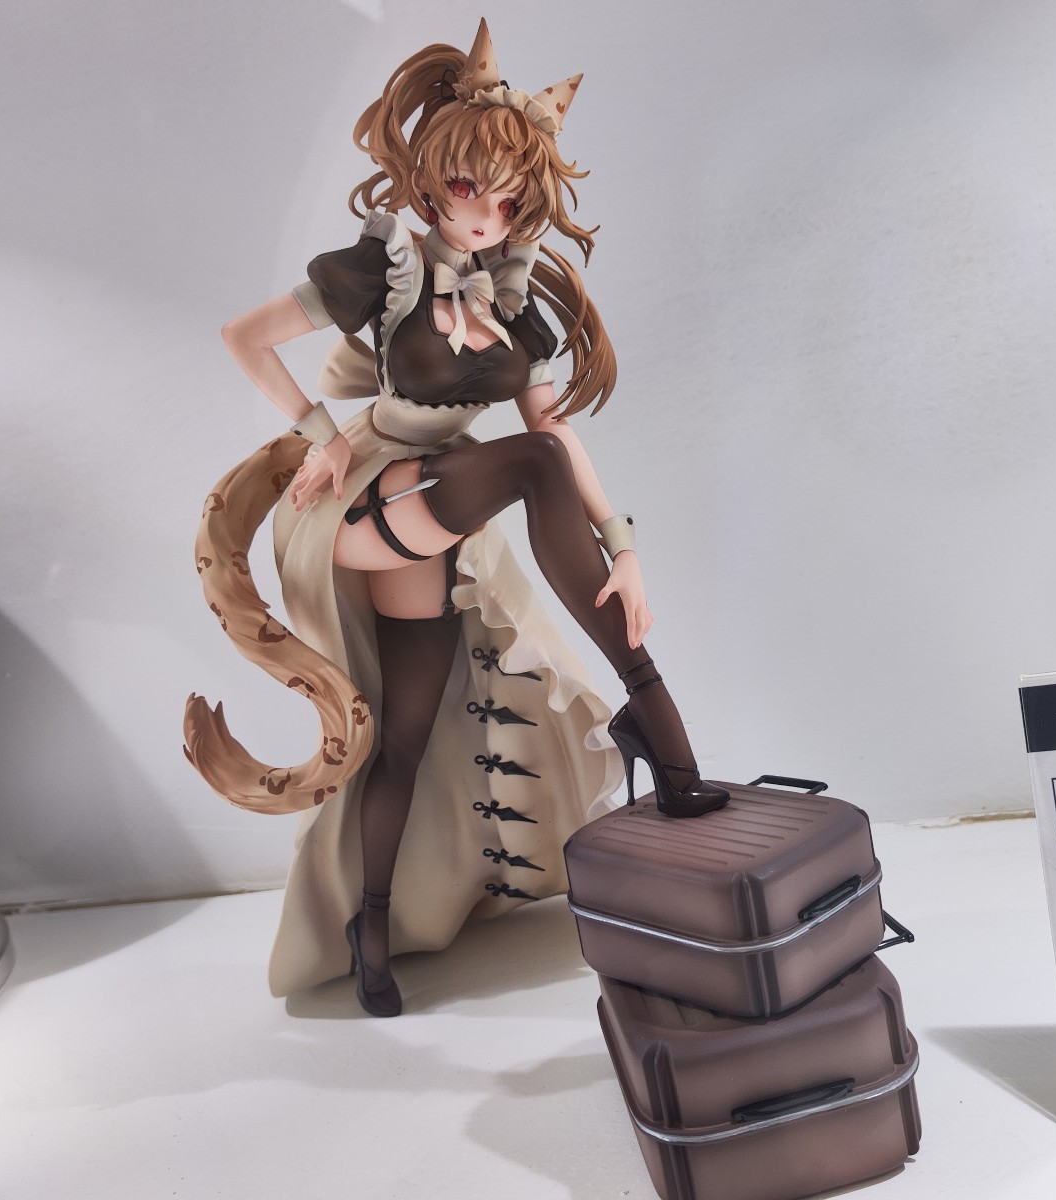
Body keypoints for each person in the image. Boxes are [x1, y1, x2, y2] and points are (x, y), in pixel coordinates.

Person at [184, 20, 725, 1017]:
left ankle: (370, 928)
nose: (483, 213)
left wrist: (625, 548)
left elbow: (556, 434)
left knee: (405, 732)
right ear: (431, 179)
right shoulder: (381, 267)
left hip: (433, 512)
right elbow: (243, 336)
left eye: (506, 198)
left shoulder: (515, 299)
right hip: (370, 498)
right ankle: (658, 723)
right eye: (467, 187)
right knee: (520, 465)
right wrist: (319, 434)